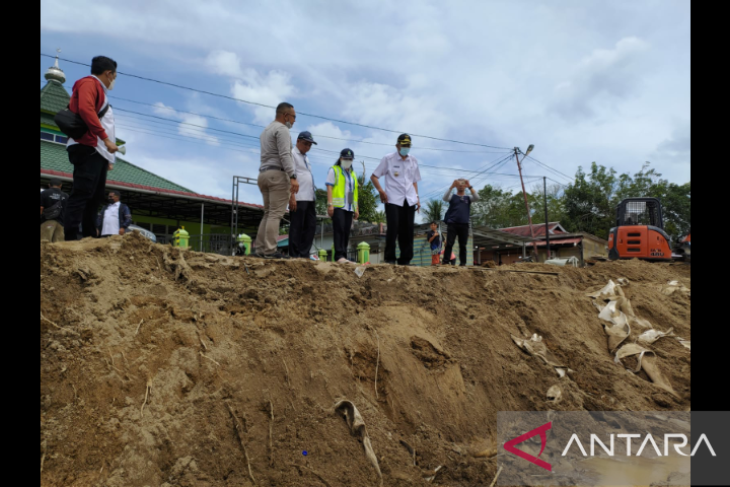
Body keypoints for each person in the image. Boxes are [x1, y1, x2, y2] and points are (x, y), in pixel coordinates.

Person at [64, 55, 120, 241]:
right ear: (108, 73)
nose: (114, 80)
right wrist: (105, 139)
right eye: (114, 75)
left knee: (95, 197)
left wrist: (109, 158)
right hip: (88, 146)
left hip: (99, 152)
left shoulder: (102, 93)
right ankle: (71, 237)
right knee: (82, 193)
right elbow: (86, 110)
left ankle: (89, 236)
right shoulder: (89, 83)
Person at [254, 102, 299, 259]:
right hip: (278, 175)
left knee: (268, 213)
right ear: (286, 115)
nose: (294, 121)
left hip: (264, 174)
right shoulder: (282, 130)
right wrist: (292, 176)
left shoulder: (266, 131)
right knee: (275, 214)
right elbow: (285, 154)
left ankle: (260, 249)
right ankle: (270, 250)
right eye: (293, 117)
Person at [371, 134, 422, 265]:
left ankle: (405, 259)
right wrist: (381, 191)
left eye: (408, 145)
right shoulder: (388, 159)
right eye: (403, 145)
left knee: (408, 230)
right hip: (393, 199)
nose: (406, 148)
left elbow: (414, 181)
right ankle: (390, 258)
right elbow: (374, 176)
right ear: (397, 146)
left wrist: (417, 198)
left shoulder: (413, 160)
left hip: (409, 199)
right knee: (393, 229)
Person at [288, 131, 318, 258]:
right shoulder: (292, 154)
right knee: (296, 227)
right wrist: (291, 197)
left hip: (310, 197)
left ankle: (304, 254)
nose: (307, 147)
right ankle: (294, 255)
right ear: (298, 141)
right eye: (305, 144)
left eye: (310, 145)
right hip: (298, 197)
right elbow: (289, 176)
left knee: (310, 226)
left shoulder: (306, 157)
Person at [326, 149, 359, 263]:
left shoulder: (353, 174)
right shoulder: (334, 170)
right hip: (338, 206)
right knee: (339, 230)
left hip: (349, 207)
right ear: (341, 159)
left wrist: (356, 208)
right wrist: (330, 204)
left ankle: (343, 255)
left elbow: (353, 192)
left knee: (346, 231)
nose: (348, 161)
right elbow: (329, 187)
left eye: (350, 159)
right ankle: (339, 256)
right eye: (345, 159)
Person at [442, 178, 479, 266]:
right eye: (459, 184)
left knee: (463, 245)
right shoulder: (452, 197)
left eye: (463, 184)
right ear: (456, 186)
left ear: (465, 186)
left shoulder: (468, 198)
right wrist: (451, 186)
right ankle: (446, 261)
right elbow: (444, 198)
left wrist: (470, 186)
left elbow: (477, 197)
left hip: (464, 224)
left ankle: (463, 263)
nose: (461, 185)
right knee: (449, 243)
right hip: (452, 224)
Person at [40, 179, 69, 243]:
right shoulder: (66, 196)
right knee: (59, 244)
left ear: (49, 185)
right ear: (60, 185)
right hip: (61, 223)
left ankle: (44, 253)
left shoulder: (44, 193)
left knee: (44, 242)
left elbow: (41, 207)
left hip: (47, 222)